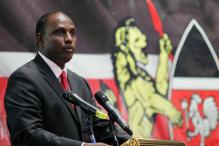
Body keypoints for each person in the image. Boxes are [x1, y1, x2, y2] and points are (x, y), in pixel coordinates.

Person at [4, 11, 130, 146]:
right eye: (60, 32)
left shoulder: (79, 82)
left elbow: (100, 127)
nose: (69, 38)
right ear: (40, 39)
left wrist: (135, 142)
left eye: (73, 33)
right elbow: (26, 135)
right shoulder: (24, 79)